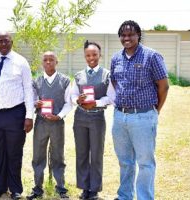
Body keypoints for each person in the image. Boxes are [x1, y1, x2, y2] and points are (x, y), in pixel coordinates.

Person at [110, 20, 169, 200]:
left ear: (138, 36)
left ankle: (144, 197)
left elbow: (164, 86)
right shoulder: (116, 58)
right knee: (125, 162)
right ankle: (125, 196)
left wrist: (154, 110)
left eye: (131, 34)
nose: (126, 38)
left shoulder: (151, 56)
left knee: (145, 163)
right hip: (120, 117)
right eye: (123, 35)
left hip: (143, 116)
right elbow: (115, 82)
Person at [0, 31, 34, 200]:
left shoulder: (21, 62)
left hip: (15, 113)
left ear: (12, 42)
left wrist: (29, 116)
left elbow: (28, 89)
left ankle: (16, 189)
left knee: (14, 152)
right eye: (0, 41)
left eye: (6, 41)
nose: (3, 44)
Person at [71, 40, 114, 200]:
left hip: (96, 117)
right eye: (88, 55)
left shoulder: (107, 75)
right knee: (81, 153)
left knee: (96, 153)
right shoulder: (79, 75)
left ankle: (94, 189)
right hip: (80, 117)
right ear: (84, 56)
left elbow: (111, 97)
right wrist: (78, 100)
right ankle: (84, 188)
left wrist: (95, 102)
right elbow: (72, 95)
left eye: (94, 54)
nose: (91, 58)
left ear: (99, 55)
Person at [27, 51, 72, 200]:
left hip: (57, 123)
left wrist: (58, 116)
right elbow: (31, 100)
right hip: (41, 123)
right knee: (38, 156)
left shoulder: (64, 80)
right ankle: (37, 188)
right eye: (45, 60)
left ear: (56, 62)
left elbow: (68, 103)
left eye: (51, 60)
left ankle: (61, 188)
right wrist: (36, 103)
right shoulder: (36, 81)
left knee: (58, 155)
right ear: (42, 63)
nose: (48, 62)